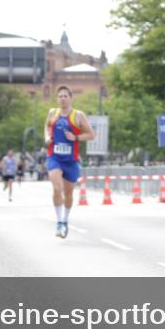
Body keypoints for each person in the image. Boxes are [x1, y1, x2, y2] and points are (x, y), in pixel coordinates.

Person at [44, 86, 96, 238]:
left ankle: (65, 220)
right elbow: (47, 126)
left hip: (71, 161)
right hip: (54, 157)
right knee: (56, 188)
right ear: (57, 98)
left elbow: (91, 134)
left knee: (68, 193)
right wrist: (47, 138)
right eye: (60, 96)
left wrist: (76, 138)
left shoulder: (78, 115)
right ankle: (59, 222)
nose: (62, 98)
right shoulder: (52, 113)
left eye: (65, 96)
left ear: (70, 98)